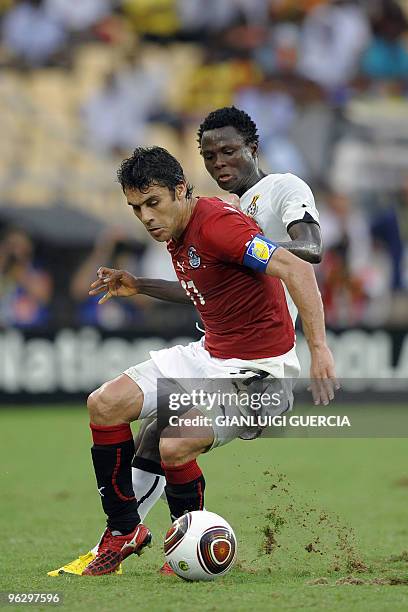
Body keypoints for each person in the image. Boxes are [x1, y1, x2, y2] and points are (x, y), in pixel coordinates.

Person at [48, 107, 325, 577]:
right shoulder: (181, 232)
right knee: (105, 404)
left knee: (174, 444)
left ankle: (186, 545)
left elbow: (299, 264)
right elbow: (207, 287)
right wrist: (139, 284)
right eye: (137, 209)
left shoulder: (221, 222)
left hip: (258, 374)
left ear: (180, 190)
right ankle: (123, 531)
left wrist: (319, 349)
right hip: (210, 353)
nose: (146, 217)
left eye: (153, 203)